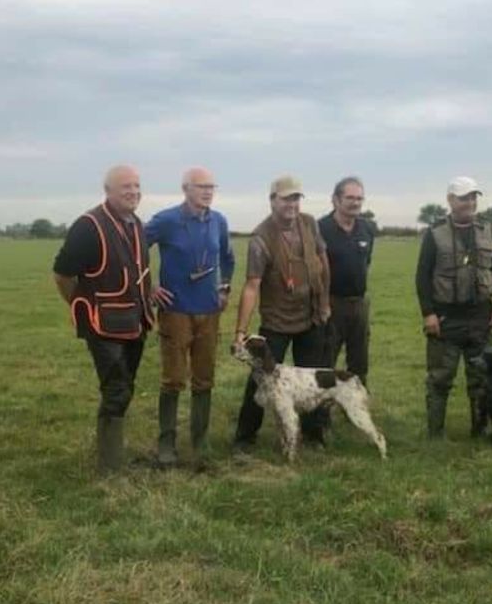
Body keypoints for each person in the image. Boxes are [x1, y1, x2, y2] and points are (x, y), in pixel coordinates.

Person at [53, 165, 155, 474]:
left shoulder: (136, 223)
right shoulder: (88, 226)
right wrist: (83, 304)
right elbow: (63, 274)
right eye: (125, 186)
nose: (133, 192)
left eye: (137, 186)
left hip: (135, 322)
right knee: (116, 389)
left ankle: (113, 454)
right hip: (103, 325)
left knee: (126, 385)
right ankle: (110, 468)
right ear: (107, 190)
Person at [231, 175, 332, 453]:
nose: (292, 204)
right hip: (276, 322)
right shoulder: (261, 239)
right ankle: (244, 438)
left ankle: (313, 436)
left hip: (310, 317)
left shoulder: (310, 224)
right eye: (286, 198)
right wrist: (241, 331)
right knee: (260, 381)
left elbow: (323, 262)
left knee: (312, 382)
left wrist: (324, 302)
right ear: (272, 200)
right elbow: (252, 286)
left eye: (296, 198)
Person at [144, 167, 235, 468]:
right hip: (176, 311)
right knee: (173, 379)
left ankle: (200, 441)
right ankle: (166, 444)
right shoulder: (166, 220)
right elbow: (133, 249)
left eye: (212, 186)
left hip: (209, 311)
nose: (208, 192)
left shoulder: (218, 221)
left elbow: (228, 257)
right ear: (185, 188)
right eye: (201, 186)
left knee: (204, 378)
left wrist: (224, 288)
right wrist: (150, 286)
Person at [415, 176, 492, 439]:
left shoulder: (487, 231)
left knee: (480, 379)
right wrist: (428, 313)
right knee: (439, 379)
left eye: (473, 197)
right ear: (451, 200)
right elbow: (422, 276)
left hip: (481, 316)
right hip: (445, 318)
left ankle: (479, 430)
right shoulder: (434, 234)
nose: (470, 202)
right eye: (464, 197)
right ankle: (435, 434)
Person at [318, 176, 375, 387]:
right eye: (350, 197)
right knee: (326, 361)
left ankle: (357, 409)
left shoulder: (367, 229)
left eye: (360, 198)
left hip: (359, 304)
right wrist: (322, 304)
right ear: (335, 199)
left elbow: (366, 263)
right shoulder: (320, 228)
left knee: (359, 361)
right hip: (331, 304)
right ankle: (320, 415)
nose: (355, 203)